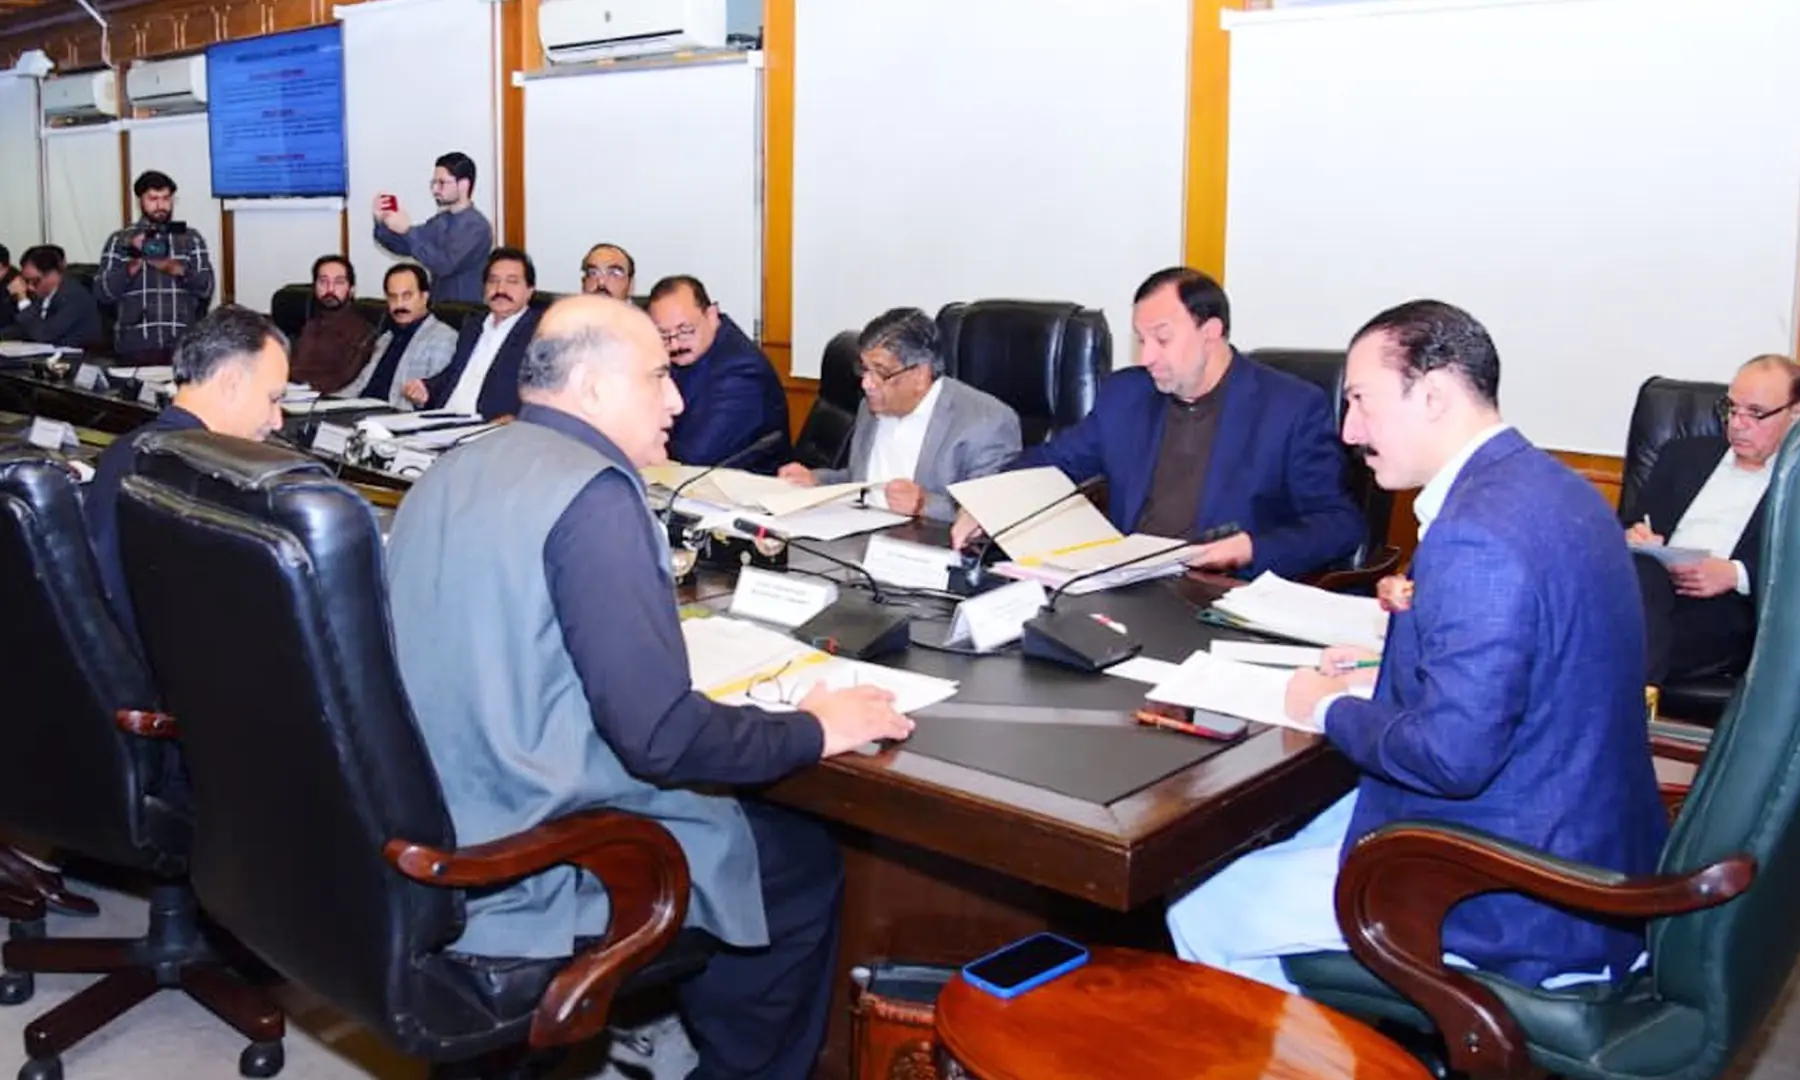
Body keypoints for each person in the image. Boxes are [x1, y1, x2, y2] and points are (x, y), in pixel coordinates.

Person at [383, 294, 913, 1080]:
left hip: (432, 804)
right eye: (658, 376)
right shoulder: (595, 490)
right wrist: (815, 728)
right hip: (530, 842)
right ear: (594, 386)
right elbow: (660, 736)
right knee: (795, 863)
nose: (676, 399)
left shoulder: (457, 461)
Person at [1166, 300, 1666, 992]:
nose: (1348, 431)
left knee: (1205, 904)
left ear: (1432, 395)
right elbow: (1531, 657)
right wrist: (1389, 666)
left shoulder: (1476, 533)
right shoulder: (1554, 487)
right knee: (1277, 838)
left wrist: (1326, 706)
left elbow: (1451, 758)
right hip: (1579, 828)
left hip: (1519, 886)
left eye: (1362, 403)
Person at [950, 268, 1362, 579]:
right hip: (1127, 583)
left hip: (1220, 591)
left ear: (1210, 332)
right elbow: (1055, 461)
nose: (1146, 356)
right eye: (1141, 339)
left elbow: (1338, 523)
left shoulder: (1289, 407)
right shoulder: (1127, 394)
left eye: (1162, 339)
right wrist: (988, 502)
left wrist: (1251, 548)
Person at [86, 305, 289, 646]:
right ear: (231, 384)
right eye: (273, 399)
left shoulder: (124, 450)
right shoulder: (210, 479)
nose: (277, 420)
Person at [1627, 354, 1797, 687]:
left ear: (1795, 414)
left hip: (1728, 606)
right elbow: (1635, 524)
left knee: (1616, 636)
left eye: (1756, 413)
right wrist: (1636, 537)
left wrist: (1736, 574)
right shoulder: (1682, 454)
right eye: (1731, 408)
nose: (1736, 423)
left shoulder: (1796, 480)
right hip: (1653, 585)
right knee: (1639, 575)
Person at [777, 307, 1020, 521]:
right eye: (864, 369)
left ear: (920, 376)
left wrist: (925, 504)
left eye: (880, 372)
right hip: (860, 539)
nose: (867, 384)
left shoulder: (986, 423)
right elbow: (863, 479)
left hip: (927, 554)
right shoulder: (871, 407)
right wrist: (816, 480)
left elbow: (993, 514)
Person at [647, 275, 789, 474]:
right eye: (663, 335)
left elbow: (695, 457)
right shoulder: (683, 356)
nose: (675, 345)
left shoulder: (741, 371)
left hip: (742, 495)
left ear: (712, 315)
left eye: (685, 330)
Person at [404, 247, 541, 418]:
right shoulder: (473, 325)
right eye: (493, 281)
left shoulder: (540, 331)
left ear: (530, 290)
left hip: (489, 428)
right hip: (445, 420)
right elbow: (453, 374)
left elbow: (547, 391)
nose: (500, 289)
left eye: (512, 281)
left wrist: (519, 418)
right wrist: (426, 388)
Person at [96, 170, 216, 363]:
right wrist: (134, 262)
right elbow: (103, 293)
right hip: (134, 345)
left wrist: (171, 267)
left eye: (166, 198)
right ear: (140, 201)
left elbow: (206, 287)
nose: (160, 205)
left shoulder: (190, 237)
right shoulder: (121, 239)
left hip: (181, 346)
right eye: (153, 199)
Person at [371, 151, 493, 304]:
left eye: (442, 183)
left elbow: (444, 265)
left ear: (464, 184)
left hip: (465, 312)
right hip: (438, 308)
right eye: (433, 183)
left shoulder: (477, 226)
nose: (435, 189)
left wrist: (408, 231)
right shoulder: (440, 221)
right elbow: (404, 247)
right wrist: (381, 221)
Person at [342, 263, 458, 409]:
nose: (399, 304)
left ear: (424, 297)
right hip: (360, 411)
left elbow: (436, 398)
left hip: (394, 419)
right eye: (392, 297)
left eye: (407, 296)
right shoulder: (386, 338)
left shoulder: (443, 338)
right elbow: (360, 384)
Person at [287, 255, 376, 394]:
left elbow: (343, 380)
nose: (330, 289)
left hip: (326, 402)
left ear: (351, 289)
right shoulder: (309, 325)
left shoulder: (362, 333)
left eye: (338, 282)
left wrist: (303, 389)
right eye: (323, 282)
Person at [4, 244, 102, 348]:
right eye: (26, 281)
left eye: (34, 281)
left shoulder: (73, 296)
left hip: (82, 356)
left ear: (53, 274)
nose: (30, 287)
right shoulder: (45, 295)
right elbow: (25, 328)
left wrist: (23, 299)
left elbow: (44, 335)